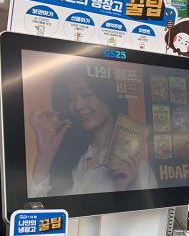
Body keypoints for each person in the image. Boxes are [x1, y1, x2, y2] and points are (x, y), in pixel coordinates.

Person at [28, 63, 157, 197]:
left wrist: (121, 189)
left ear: (107, 95)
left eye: (86, 94)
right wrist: (44, 157)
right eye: (70, 99)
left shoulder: (138, 170)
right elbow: (34, 207)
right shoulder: (68, 161)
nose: (77, 106)